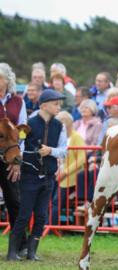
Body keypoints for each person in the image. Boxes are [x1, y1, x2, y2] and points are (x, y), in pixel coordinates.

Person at [7, 89, 67, 261]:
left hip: (48, 177)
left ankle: (32, 252)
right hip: (29, 177)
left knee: (41, 216)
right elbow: (19, 147)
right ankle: (12, 252)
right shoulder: (29, 124)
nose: (58, 106)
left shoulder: (59, 125)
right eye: (55, 103)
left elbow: (63, 151)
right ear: (44, 105)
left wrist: (50, 151)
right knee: (23, 215)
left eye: (59, 103)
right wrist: (25, 160)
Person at [0, 63, 27, 255]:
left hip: (10, 158)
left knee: (15, 201)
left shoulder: (18, 101)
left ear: (8, 80)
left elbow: (22, 132)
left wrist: (17, 162)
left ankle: (21, 245)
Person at [51, 111, 86, 225]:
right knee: (49, 201)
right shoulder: (57, 137)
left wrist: (65, 172)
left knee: (57, 201)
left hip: (70, 177)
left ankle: (49, 226)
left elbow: (81, 159)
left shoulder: (76, 137)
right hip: (55, 173)